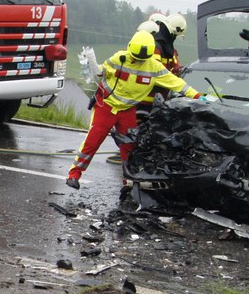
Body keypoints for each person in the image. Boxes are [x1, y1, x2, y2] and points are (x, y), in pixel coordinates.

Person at [66, 30, 205, 189]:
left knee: (129, 146)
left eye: (141, 60)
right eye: (134, 58)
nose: (137, 62)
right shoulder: (119, 58)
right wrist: (94, 67)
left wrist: (197, 96)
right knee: (93, 141)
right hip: (107, 105)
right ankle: (74, 175)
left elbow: (176, 83)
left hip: (128, 110)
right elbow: (101, 72)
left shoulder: (154, 67)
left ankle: (129, 180)